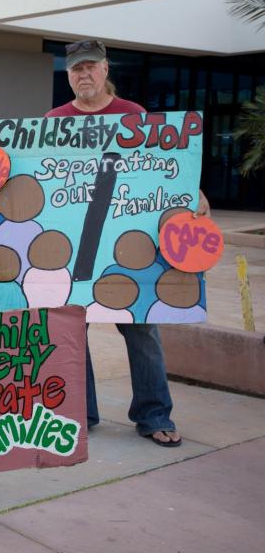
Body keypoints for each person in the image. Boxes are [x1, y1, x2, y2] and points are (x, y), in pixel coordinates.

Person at [46, 39, 210, 447]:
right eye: (75, 69)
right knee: (71, 330)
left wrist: (192, 193)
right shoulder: (54, 120)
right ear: (68, 75)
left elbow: (163, 169)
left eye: (90, 67)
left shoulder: (134, 116)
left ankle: (154, 414)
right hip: (73, 245)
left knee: (141, 329)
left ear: (105, 69)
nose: (83, 75)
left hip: (126, 248)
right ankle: (80, 413)